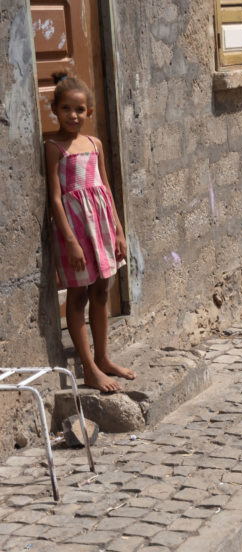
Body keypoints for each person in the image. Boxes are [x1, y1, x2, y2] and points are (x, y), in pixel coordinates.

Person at [46, 71, 134, 392]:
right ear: (55, 109)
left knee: (101, 291)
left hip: (101, 228)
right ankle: (88, 367)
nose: (73, 115)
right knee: (79, 294)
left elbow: (106, 189)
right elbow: (55, 198)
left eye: (80, 109)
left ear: (89, 112)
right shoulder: (54, 147)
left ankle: (104, 357)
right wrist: (70, 241)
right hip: (75, 232)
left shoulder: (94, 144)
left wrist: (119, 230)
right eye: (67, 108)